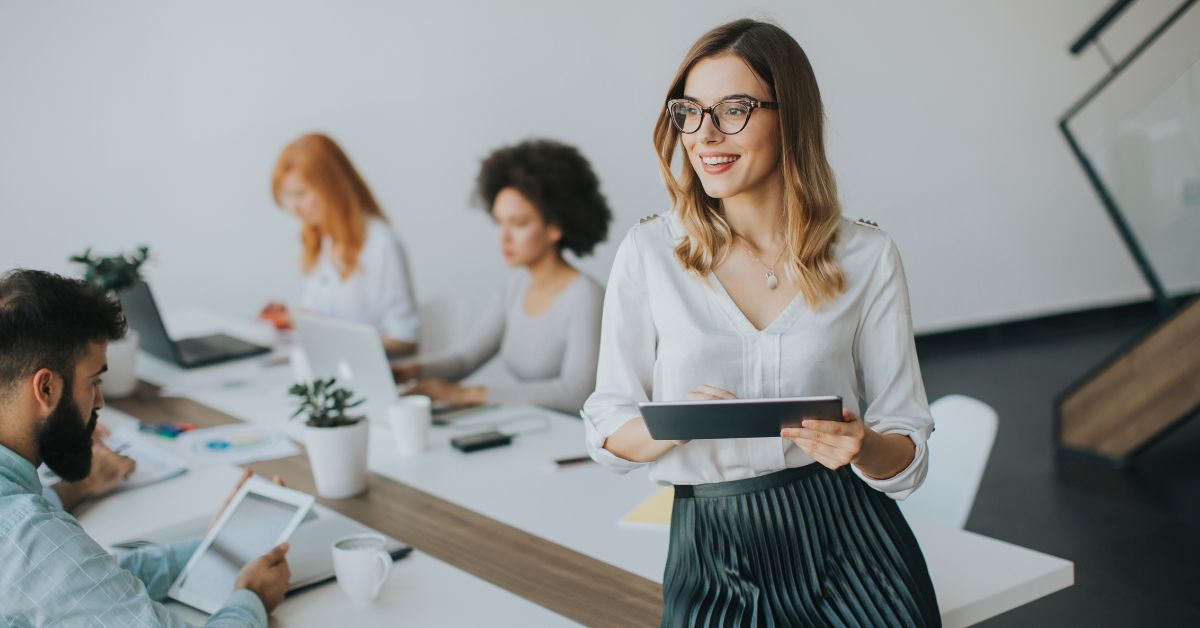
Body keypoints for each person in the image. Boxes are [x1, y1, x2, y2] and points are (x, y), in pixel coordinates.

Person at [582, 20, 940, 627]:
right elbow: (608, 424)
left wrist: (862, 444)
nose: (705, 135)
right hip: (710, 547)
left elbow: (905, 453)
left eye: (734, 109)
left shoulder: (867, 256)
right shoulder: (649, 253)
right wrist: (678, 424)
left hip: (851, 542)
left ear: (790, 118)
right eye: (689, 112)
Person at [0, 269, 290, 627]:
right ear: (45, 389)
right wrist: (251, 598)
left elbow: (87, 581)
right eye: (94, 381)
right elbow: (58, 566)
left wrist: (214, 547)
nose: (100, 401)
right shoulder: (29, 537)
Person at [394, 139, 611, 414]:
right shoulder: (514, 288)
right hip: (534, 428)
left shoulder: (585, 296)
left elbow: (577, 392)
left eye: (518, 223)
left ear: (555, 226)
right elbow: (465, 358)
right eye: (499, 222)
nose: (503, 237)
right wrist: (410, 370)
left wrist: (471, 394)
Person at [265, 133, 420, 357]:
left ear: (333, 188)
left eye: (302, 194)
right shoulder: (322, 242)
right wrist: (290, 319)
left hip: (370, 376)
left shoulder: (381, 245)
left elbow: (406, 340)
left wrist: (340, 340)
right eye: (288, 198)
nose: (295, 208)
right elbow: (323, 318)